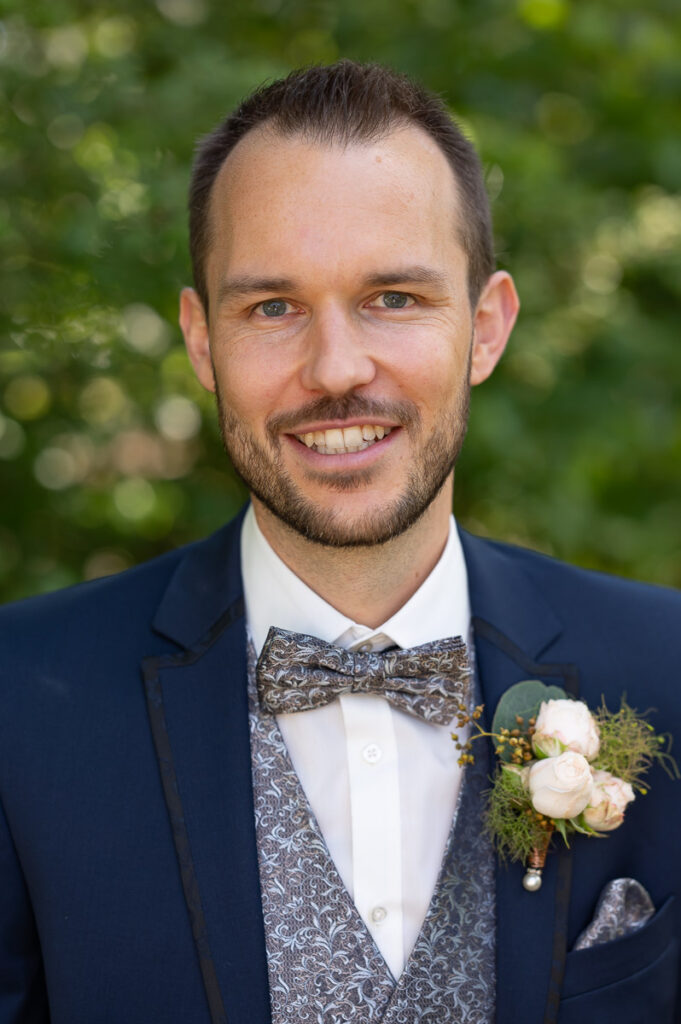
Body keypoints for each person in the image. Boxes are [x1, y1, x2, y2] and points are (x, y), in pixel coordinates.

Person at [0, 61, 679, 1024]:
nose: (334, 369)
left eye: (392, 298)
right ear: (201, 343)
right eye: (271, 308)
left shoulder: (669, 668)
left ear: (484, 329)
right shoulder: (17, 705)